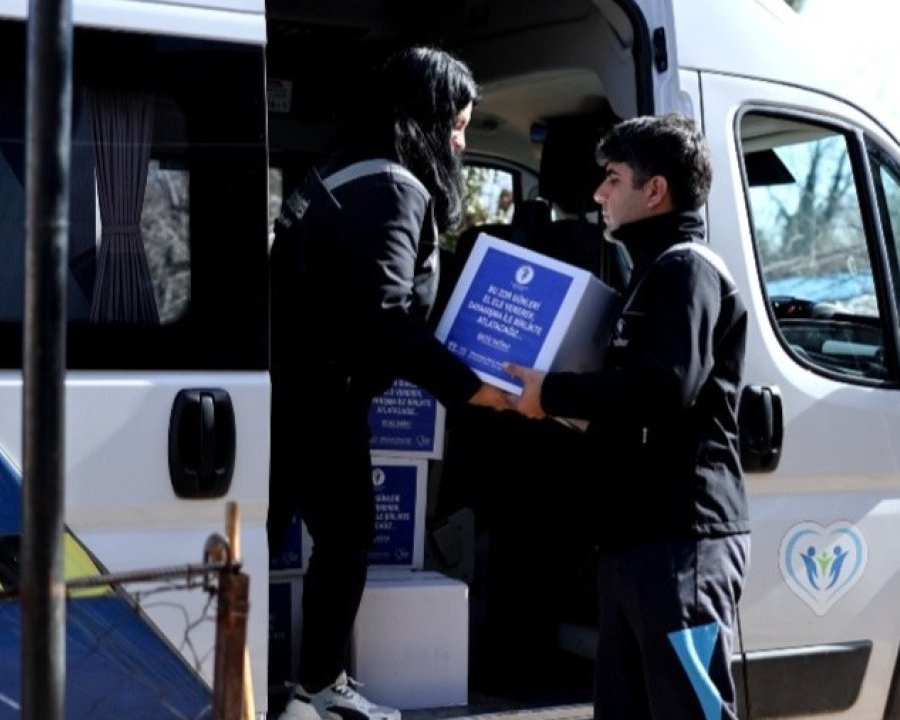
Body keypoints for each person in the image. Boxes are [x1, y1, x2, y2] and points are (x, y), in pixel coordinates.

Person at [268, 46, 507, 720]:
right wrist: (471, 388)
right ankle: (316, 689)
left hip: (288, 392)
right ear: (424, 118)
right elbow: (384, 318)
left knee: (281, 534)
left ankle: (280, 688)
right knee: (347, 535)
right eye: (456, 126)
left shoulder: (340, 169)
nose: (460, 143)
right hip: (319, 399)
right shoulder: (392, 187)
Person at [505, 114, 751, 720]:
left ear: (655, 190)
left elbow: (664, 388)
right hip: (636, 540)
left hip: (681, 542)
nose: (599, 194)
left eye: (613, 178)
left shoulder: (687, 268)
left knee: (690, 712)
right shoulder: (653, 271)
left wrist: (553, 394)